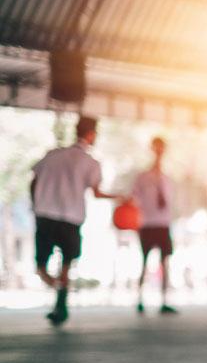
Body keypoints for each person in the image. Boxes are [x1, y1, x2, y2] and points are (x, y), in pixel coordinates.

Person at [30, 115, 117, 326]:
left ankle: (59, 299)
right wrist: (120, 196)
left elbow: (34, 181)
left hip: (45, 214)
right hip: (70, 217)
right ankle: (61, 296)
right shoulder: (90, 162)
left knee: (41, 265)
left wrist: (35, 205)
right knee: (67, 263)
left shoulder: (52, 155)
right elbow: (96, 193)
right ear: (91, 134)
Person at [130, 136, 178, 315]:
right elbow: (133, 199)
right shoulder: (142, 178)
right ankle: (140, 300)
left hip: (163, 224)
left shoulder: (166, 178)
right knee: (144, 262)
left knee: (165, 262)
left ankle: (164, 301)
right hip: (147, 224)